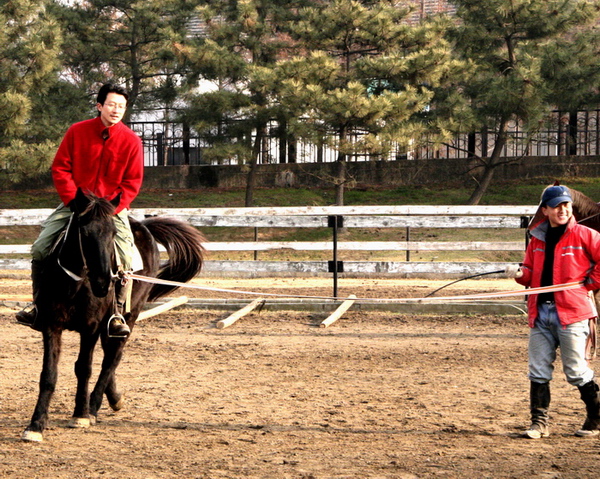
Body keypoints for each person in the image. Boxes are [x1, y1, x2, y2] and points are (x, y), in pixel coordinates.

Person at [16, 83, 144, 338]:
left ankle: (117, 313)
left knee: (128, 258)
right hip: (75, 202)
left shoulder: (132, 141)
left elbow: (132, 182)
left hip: (111, 209)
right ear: (99, 106)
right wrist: (73, 199)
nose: (116, 110)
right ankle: (37, 306)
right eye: (111, 104)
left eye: (121, 106)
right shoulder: (77, 132)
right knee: (41, 247)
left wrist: (111, 207)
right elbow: (61, 168)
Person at [514, 184, 600, 438]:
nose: (563, 210)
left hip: (572, 313)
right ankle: (538, 423)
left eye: (566, 205)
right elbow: (529, 272)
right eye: (557, 206)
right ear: (546, 210)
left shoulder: (586, 235)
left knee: (576, 372)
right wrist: (519, 274)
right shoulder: (537, 239)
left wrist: (591, 282)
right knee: (538, 369)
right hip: (540, 312)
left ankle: (595, 418)